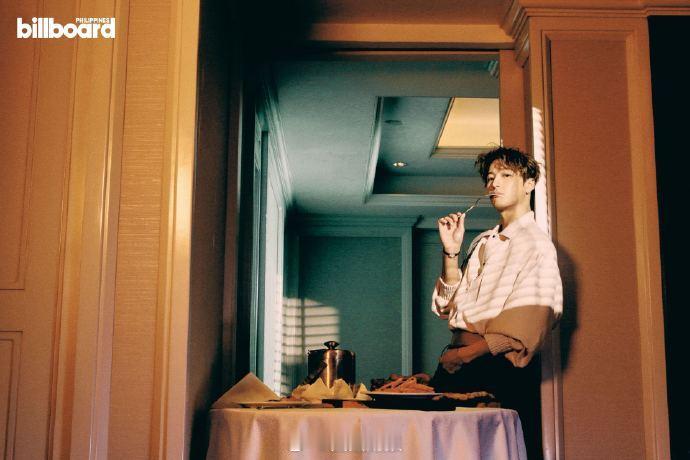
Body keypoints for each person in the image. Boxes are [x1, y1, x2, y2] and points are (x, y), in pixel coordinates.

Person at [429, 146, 563, 458]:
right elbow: (448, 307)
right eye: (490, 177)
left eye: (505, 175)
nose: (494, 183)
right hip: (458, 361)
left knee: (484, 451)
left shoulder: (536, 245)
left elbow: (527, 327)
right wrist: (451, 252)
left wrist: (465, 355)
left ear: (529, 183)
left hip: (491, 368)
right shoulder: (483, 242)